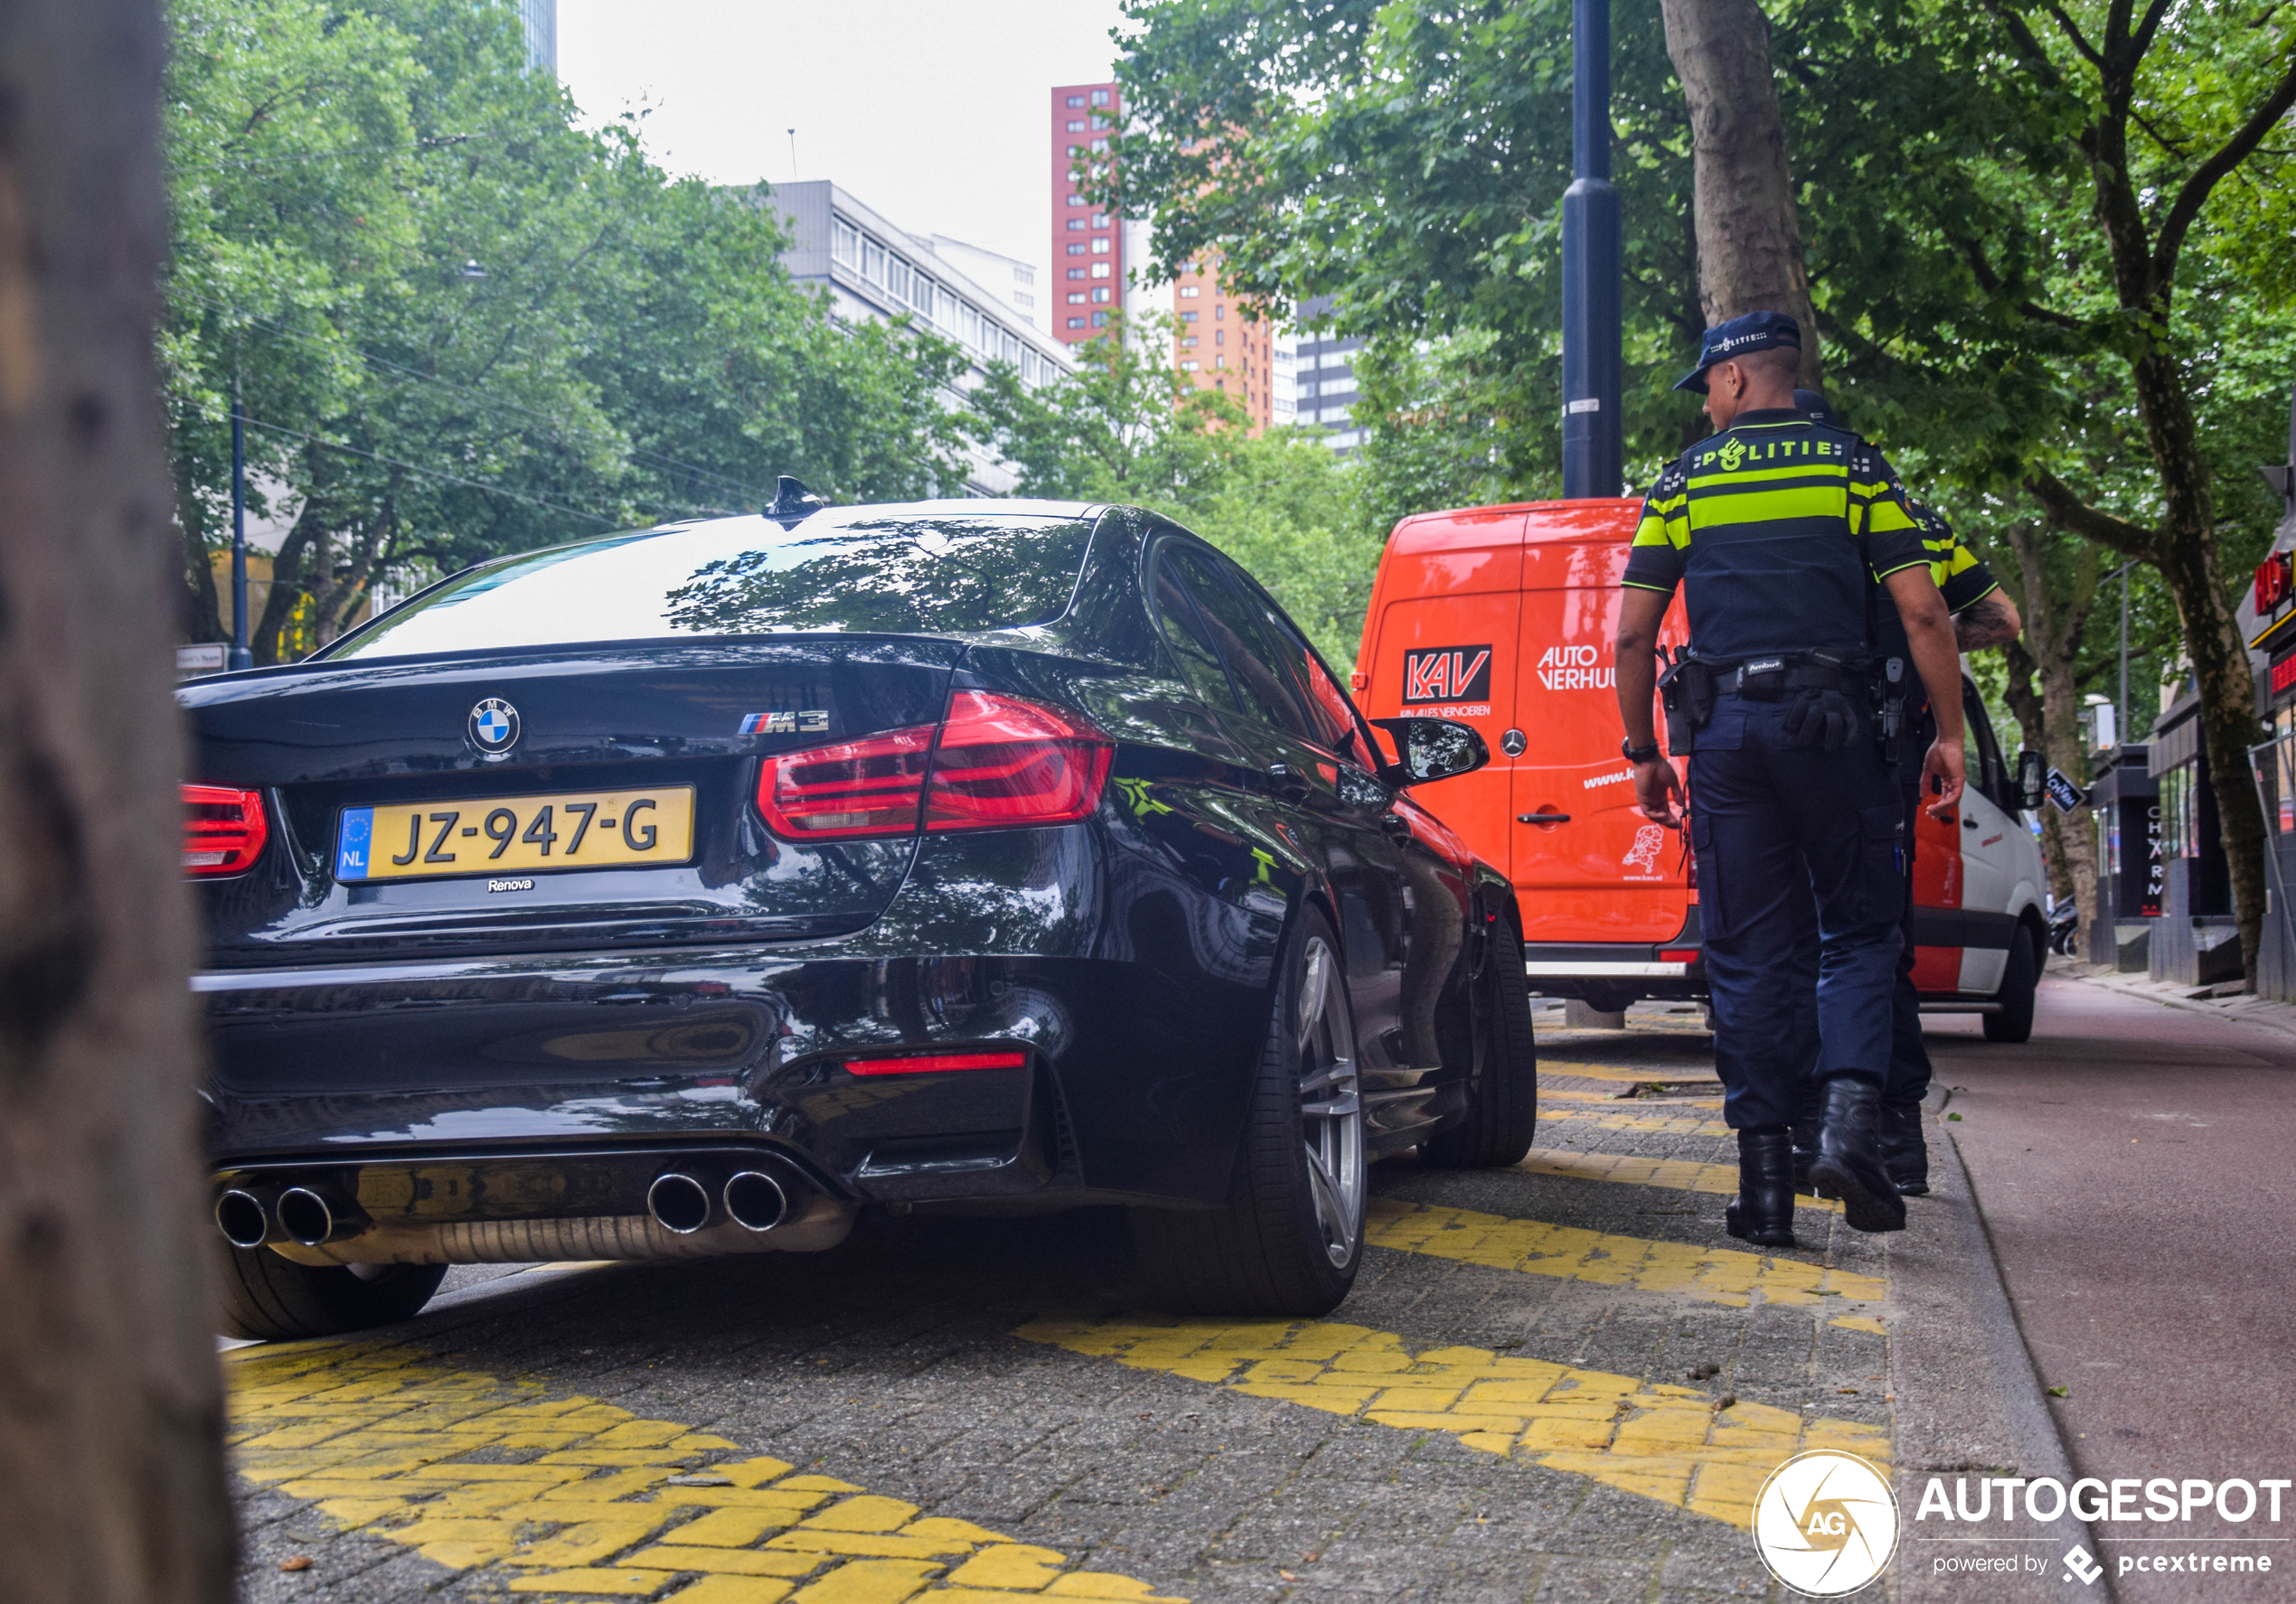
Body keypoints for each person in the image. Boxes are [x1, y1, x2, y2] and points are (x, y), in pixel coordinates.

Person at [1613, 312, 1967, 1247]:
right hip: (1833, 726)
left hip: (1725, 737)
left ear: (1733, 380)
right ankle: (1851, 1123)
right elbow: (1924, 611)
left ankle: (1763, 1195)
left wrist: (1640, 752)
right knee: (1854, 929)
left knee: (1745, 953)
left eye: (1707, 387)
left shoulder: (1684, 480)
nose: (1707, 403)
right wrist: (1952, 735)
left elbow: (1629, 632)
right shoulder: (1850, 464)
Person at [1785, 389, 2023, 1197]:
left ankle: (1828, 1124)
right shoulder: (1916, 519)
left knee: (1819, 938)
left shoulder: (1792, 521)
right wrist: (1927, 657)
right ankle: (1894, 1134)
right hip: (1893, 749)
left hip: (1803, 747)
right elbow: (1998, 617)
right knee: (1874, 939)